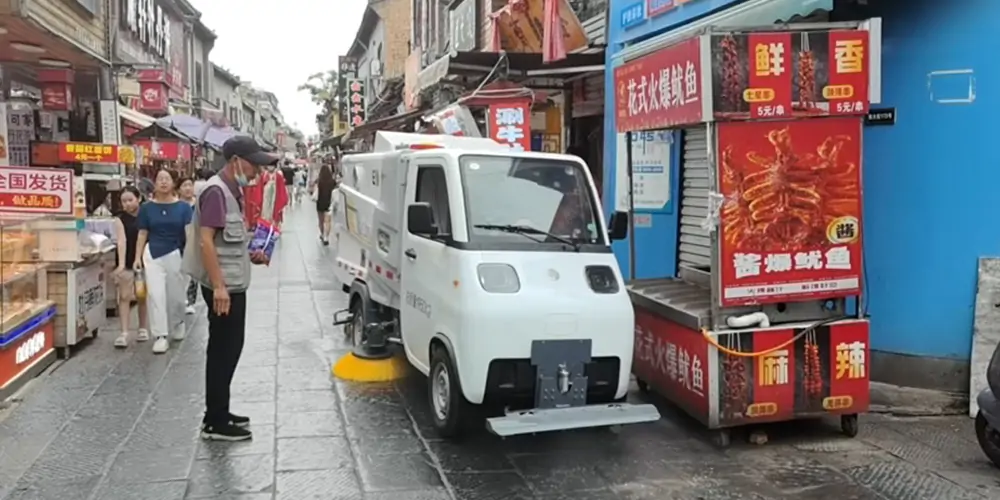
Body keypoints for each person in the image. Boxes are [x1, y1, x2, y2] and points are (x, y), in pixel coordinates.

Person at [183, 135, 275, 441]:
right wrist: (220, 287)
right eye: (254, 165)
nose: (257, 173)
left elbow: (224, 242)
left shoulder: (230, 191)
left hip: (231, 282)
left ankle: (220, 411)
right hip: (224, 287)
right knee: (224, 350)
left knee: (228, 348)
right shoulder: (216, 192)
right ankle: (215, 421)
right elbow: (205, 240)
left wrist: (251, 254)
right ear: (236, 160)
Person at [134, 169, 193, 354]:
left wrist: (191, 255)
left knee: (176, 295)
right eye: (160, 179)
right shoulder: (146, 209)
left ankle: (178, 321)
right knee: (155, 295)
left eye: (167, 179)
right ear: (155, 183)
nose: (164, 182)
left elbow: (189, 233)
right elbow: (142, 233)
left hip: (176, 253)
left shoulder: (183, 208)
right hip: (152, 253)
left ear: (173, 183)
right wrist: (137, 258)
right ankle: (160, 335)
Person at [112, 186, 150, 348]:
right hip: (127, 262)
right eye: (123, 201)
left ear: (138, 199)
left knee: (142, 295)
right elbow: (122, 241)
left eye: (130, 200)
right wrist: (121, 265)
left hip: (145, 262)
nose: (127, 204)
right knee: (124, 296)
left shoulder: (147, 214)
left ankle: (142, 328)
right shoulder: (120, 219)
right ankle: (124, 332)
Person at [178, 176, 199, 315]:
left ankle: (190, 300)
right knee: (180, 272)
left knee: (194, 273)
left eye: (190, 185)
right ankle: (180, 298)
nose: (187, 188)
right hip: (179, 240)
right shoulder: (176, 205)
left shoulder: (199, 204)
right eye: (184, 185)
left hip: (196, 241)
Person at [311, 162, 337, 245]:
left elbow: (313, 190)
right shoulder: (332, 182)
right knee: (328, 221)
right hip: (329, 203)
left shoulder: (319, 181)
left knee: (321, 221)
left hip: (320, 203)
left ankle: (322, 234)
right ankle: (326, 237)